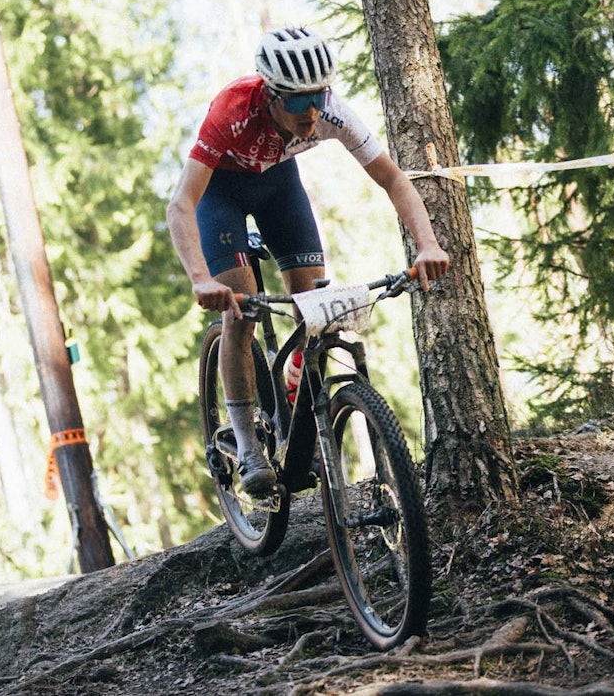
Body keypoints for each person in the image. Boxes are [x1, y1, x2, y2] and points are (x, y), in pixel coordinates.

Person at [166, 27, 450, 496]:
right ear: (271, 96)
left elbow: (394, 180)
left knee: (314, 308)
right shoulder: (232, 111)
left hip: (280, 188)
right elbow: (180, 205)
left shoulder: (331, 113)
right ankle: (248, 446)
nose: (311, 112)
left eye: (318, 96)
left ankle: (297, 405)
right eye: (298, 103)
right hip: (222, 196)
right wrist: (200, 278)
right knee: (242, 311)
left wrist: (427, 244)